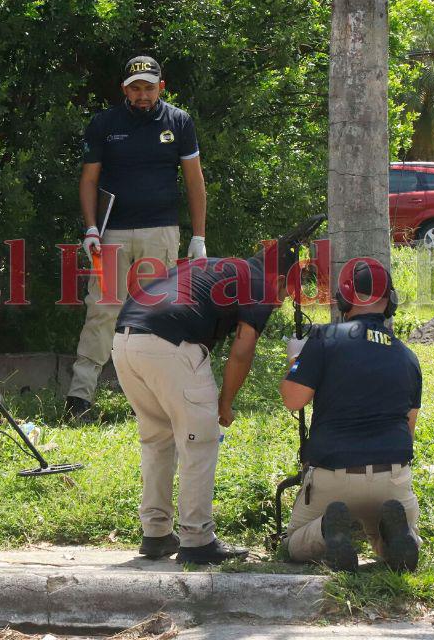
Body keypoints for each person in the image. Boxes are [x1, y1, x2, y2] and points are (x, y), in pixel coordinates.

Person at [110, 243, 294, 564]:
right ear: (279, 277)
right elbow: (243, 347)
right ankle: (197, 540)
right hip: (168, 342)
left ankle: (156, 533)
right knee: (201, 438)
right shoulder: (259, 282)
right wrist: (224, 403)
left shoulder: (217, 267)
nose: (285, 298)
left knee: (157, 437)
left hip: (125, 339)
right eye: (288, 289)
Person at [67, 55, 208, 422]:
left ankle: (155, 400)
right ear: (124, 90)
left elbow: (194, 181)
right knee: (102, 309)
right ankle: (79, 397)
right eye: (135, 88)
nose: (142, 94)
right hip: (111, 231)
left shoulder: (179, 121)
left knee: (154, 316)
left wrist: (199, 236)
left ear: (161, 86)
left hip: (160, 231)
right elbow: (88, 180)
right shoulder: (104, 123)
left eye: (148, 87)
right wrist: (91, 228)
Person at [280, 261, 422, 573]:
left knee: (292, 543)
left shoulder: (324, 339)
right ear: (391, 303)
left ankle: (327, 531)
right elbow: (408, 430)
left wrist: (295, 360)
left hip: (334, 477)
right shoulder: (407, 356)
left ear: (343, 301)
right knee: (398, 540)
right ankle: (394, 536)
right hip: (393, 477)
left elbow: (293, 399)